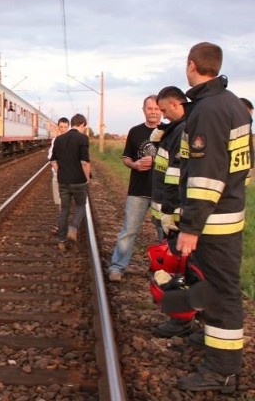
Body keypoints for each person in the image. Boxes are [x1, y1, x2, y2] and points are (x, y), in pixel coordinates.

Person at [160, 42, 252, 393]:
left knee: (222, 293)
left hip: (212, 221)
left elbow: (206, 175)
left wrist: (191, 226)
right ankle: (211, 342)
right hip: (227, 214)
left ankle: (222, 370)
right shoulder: (234, 106)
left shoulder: (209, 110)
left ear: (191, 65)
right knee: (212, 288)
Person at [148, 86, 192, 337]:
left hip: (172, 213)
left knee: (175, 269)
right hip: (167, 209)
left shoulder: (182, 131)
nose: (162, 115)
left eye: (164, 110)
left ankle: (180, 322)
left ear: (176, 103)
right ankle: (181, 318)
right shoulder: (174, 129)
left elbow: (175, 176)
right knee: (173, 268)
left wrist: (169, 212)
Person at [108, 95, 162, 282]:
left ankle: (162, 271)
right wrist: (136, 165)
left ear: (161, 110)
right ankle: (117, 267)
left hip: (162, 193)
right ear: (144, 110)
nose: (154, 112)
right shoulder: (135, 131)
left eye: (157, 108)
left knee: (164, 234)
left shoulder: (170, 132)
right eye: (150, 108)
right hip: (138, 190)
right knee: (129, 230)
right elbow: (126, 158)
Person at [49, 113, 90, 252]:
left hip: (63, 181)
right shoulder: (83, 138)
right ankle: (73, 228)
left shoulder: (59, 139)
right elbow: (84, 162)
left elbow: (53, 160)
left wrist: (60, 171)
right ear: (82, 124)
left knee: (64, 210)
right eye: (85, 127)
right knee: (81, 205)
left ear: (72, 123)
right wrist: (87, 179)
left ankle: (61, 241)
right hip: (78, 181)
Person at [48, 117, 70, 208]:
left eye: (65, 127)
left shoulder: (72, 140)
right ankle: (62, 220)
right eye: (61, 127)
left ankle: (64, 219)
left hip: (70, 174)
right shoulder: (55, 140)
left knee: (67, 201)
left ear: (68, 127)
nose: (63, 129)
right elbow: (51, 157)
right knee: (60, 201)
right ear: (58, 127)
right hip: (58, 173)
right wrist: (58, 171)